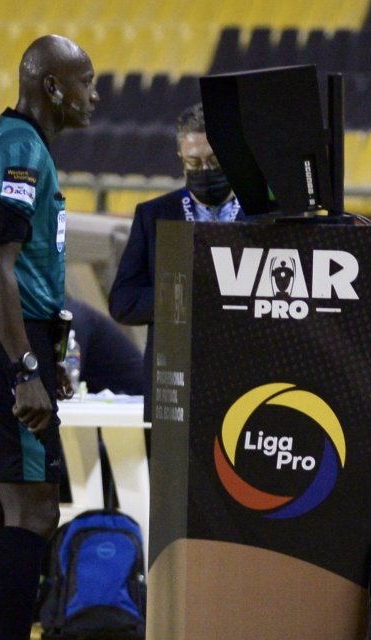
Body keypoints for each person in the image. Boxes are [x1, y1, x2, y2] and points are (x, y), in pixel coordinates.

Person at [0, 35, 96, 640]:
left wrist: (48, 348)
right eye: (86, 80)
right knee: (35, 512)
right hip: (4, 341)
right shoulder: (21, 154)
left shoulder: (6, 144)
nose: (96, 95)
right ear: (52, 87)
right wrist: (26, 367)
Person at [108, 102, 242, 421]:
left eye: (212, 160)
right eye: (193, 162)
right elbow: (122, 302)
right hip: (176, 382)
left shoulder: (264, 216)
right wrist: (181, 296)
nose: (204, 170)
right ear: (180, 159)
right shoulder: (155, 215)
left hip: (244, 376)